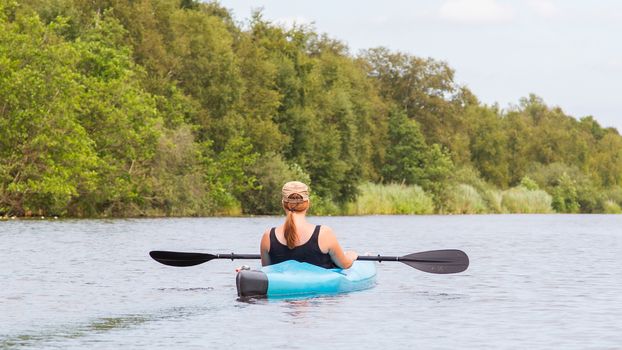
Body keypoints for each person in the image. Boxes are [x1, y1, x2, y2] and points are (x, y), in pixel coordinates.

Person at [260, 181, 358, 269]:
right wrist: (351, 256)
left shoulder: (268, 236)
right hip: (319, 289)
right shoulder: (324, 233)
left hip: (282, 288)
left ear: (283, 203)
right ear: (308, 203)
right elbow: (344, 265)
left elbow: (267, 272)